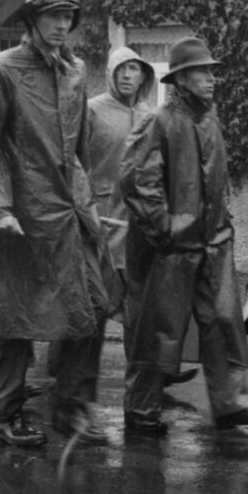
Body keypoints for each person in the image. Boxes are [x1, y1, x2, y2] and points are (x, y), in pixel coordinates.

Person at [0, 0, 120, 447]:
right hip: (20, 213)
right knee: (14, 318)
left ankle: (71, 409)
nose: (61, 25)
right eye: (52, 16)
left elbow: (76, 147)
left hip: (67, 211)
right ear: (32, 20)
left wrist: (88, 203)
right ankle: (7, 414)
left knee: (92, 304)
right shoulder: (4, 69)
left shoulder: (75, 72)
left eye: (67, 16)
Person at [120, 36, 248, 435]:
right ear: (181, 78)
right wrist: (166, 231)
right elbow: (138, 182)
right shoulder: (158, 122)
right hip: (170, 249)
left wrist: (220, 227)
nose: (211, 78)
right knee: (157, 330)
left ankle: (231, 403)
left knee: (224, 323)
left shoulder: (209, 119)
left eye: (211, 71)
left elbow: (212, 180)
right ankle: (142, 410)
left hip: (213, 244)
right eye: (202, 72)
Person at [81, 46, 198, 386]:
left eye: (134, 69)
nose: (128, 75)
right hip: (101, 223)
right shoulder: (92, 111)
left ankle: (151, 375)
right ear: (110, 74)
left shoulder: (151, 114)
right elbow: (77, 163)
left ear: (145, 75)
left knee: (142, 309)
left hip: (140, 225)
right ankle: (76, 382)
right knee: (98, 305)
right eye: (121, 69)